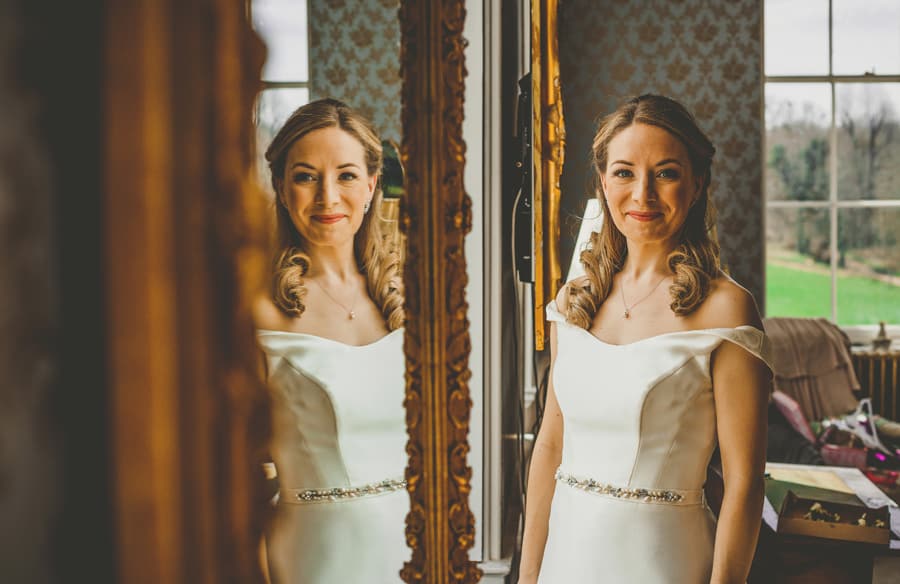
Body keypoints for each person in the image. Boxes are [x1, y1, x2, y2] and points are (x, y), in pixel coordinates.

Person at [518, 94, 773, 584]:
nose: (643, 195)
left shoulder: (727, 309)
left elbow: (744, 482)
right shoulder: (573, 301)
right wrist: (528, 577)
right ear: (602, 182)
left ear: (697, 183)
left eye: (666, 172)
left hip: (665, 564)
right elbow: (550, 446)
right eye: (624, 172)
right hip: (564, 562)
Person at [254, 98, 407, 583]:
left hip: (413, 548)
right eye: (305, 176)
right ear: (280, 187)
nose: (327, 197)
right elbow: (237, 486)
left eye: (345, 175)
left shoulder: (412, 301)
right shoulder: (258, 309)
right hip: (312, 558)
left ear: (371, 187)